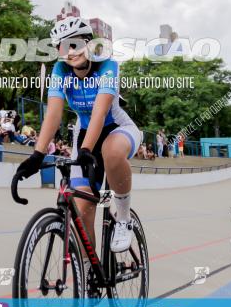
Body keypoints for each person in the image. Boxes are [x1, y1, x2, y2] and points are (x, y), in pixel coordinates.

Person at [14, 17, 143, 253]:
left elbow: (100, 111)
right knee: (82, 213)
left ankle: (123, 218)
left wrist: (85, 149)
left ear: (89, 43)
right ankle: (88, 277)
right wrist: (37, 155)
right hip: (83, 134)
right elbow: (53, 114)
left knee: (111, 152)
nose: (70, 52)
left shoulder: (108, 65)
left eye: (75, 44)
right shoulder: (60, 70)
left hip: (117, 129)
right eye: (63, 47)